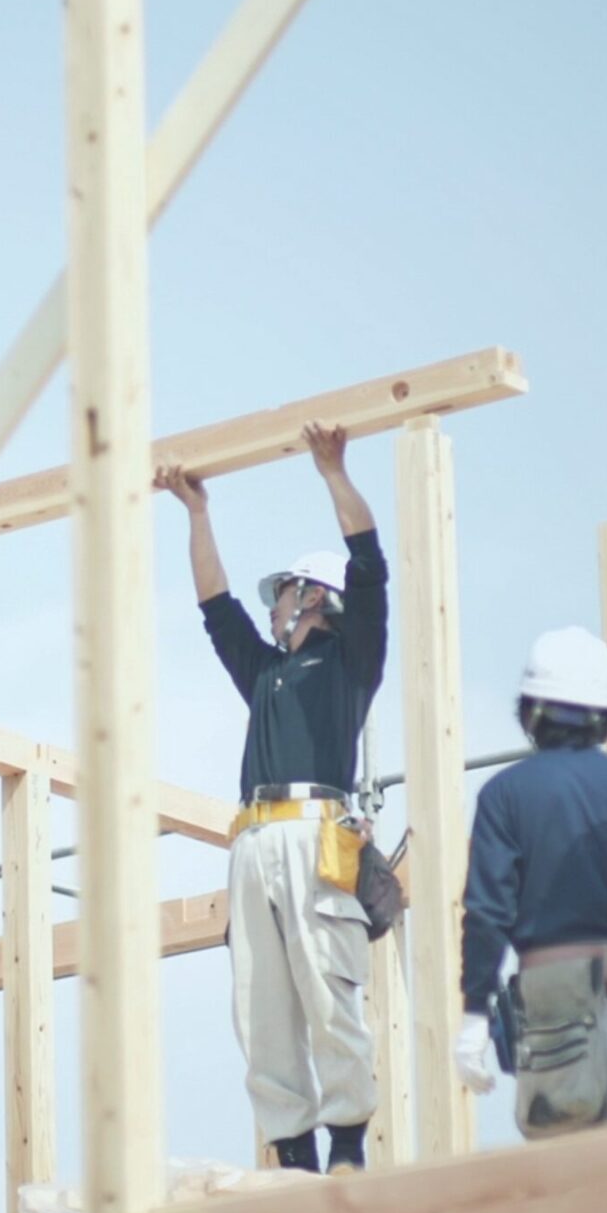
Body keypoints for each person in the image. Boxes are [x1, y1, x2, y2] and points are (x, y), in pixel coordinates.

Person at [154, 422, 386, 1174]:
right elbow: (215, 608)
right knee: (260, 1007)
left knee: (328, 990)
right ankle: (291, 1151)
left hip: (316, 830)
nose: (275, 603)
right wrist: (196, 514)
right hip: (254, 840)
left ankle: (347, 1141)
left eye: (285, 590)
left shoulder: (350, 664)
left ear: (315, 597)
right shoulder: (265, 676)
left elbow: (371, 567)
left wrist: (333, 473)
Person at [454, 627, 607, 1137]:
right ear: (605, 715)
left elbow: (487, 914)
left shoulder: (505, 796)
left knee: (568, 1175)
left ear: (530, 711)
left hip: (555, 999)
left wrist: (476, 1012)